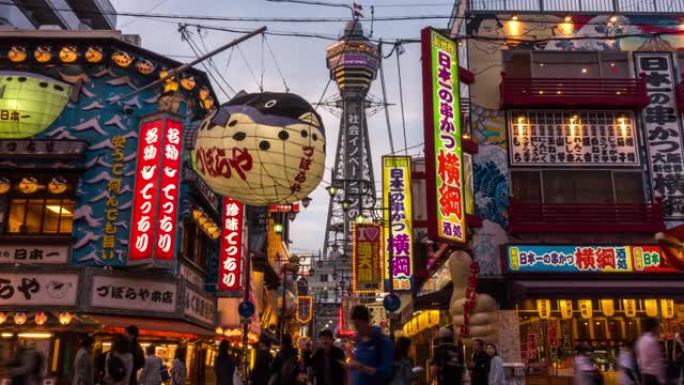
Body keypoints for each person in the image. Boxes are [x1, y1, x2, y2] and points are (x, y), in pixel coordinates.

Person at [347, 305, 394, 385]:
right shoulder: (359, 342)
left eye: (358, 325)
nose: (356, 329)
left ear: (366, 322)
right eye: (354, 325)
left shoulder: (383, 341)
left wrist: (361, 367)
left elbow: (386, 372)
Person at [636, 318, 666, 385]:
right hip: (654, 377)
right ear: (654, 328)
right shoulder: (652, 340)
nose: (659, 330)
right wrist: (662, 379)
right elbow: (657, 362)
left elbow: (639, 359)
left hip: (645, 375)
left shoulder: (641, 339)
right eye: (658, 327)